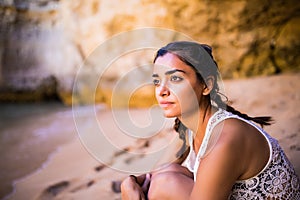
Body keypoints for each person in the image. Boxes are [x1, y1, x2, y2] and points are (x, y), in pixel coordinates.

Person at [120, 41, 300, 199]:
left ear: (207, 85)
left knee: (164, 184)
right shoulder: (190, 128)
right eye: (157, 81)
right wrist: (128, 182)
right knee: (167, 174)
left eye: (175, 78)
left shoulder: (225, 138)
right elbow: (153, 175)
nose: (162, 91)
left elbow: (159, 184)